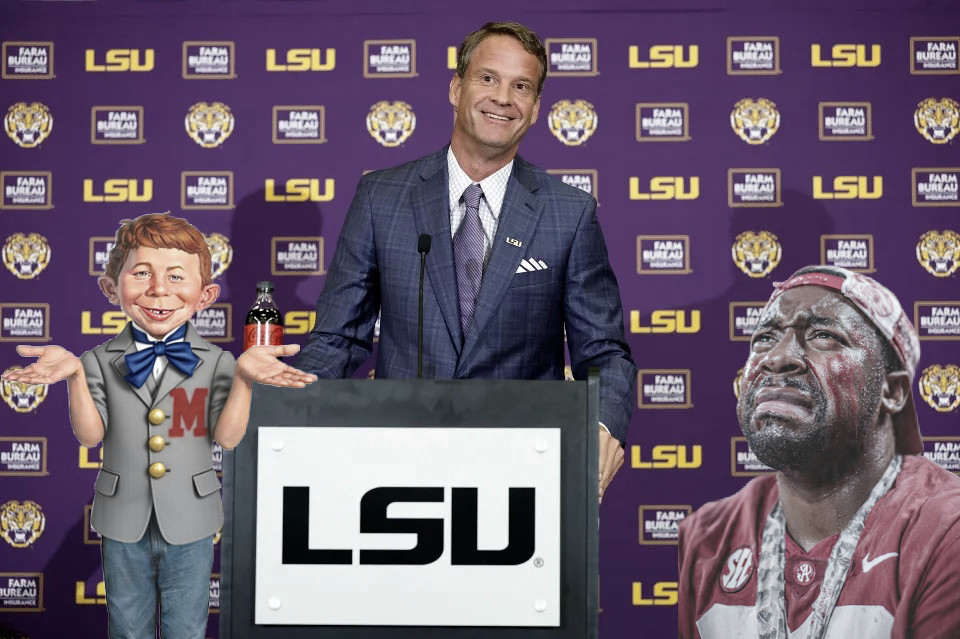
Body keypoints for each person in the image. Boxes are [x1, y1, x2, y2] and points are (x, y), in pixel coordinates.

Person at [296, 21, 636, 498]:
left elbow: (602, 351)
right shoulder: (381, 197)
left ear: (536, 108)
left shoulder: (569, 212)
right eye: (488, 78)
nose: (503, 98)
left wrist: (602, 423)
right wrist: (286, 398)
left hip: (522, 472)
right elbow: (338, 335)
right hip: (399, 465)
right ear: (457, 88)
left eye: (521, 86)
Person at [2, 213, 316, 639]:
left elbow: (227, 438)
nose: (159, 289)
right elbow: (91, 436)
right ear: (110, 288)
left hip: (192, 516)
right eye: (142, 273)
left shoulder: (218, 362)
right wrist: (76, 376)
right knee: (127, 627)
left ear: (205, 295)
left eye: (176, 276)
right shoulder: (96, 361)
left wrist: (243, 379)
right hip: (122, 516)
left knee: (186, 628)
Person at [677, 265, 960, 639]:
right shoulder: (707, 536)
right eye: (764, 338)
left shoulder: (946, 530)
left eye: (824, 336)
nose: (777, 357)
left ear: (891, 392)